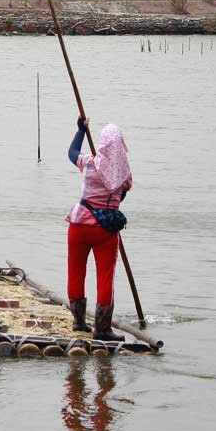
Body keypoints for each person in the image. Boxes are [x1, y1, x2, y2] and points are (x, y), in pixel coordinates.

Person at [66, 117, 131, 342]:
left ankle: (78, 321)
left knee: (76, 270)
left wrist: (81, 131)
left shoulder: (90, 163)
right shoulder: (125, 175)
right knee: (105, 278)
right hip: (106, 231)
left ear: (102, 144)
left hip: (79, 224)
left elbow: (71, 152)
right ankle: (102, 328)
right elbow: (121, 194)